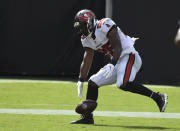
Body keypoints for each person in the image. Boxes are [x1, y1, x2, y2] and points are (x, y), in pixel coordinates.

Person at [71, 9, 168, 124]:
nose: (81, 30)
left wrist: (111, 64)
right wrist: (81, 79)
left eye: (82, 26)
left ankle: (158, 97)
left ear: (89, 22)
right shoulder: (85, 38)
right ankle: (87, 117)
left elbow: (118, 46)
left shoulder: (104, 24)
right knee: (93, 82)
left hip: (129, 55)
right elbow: (87, 58)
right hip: (117, 61)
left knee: (122, 83)